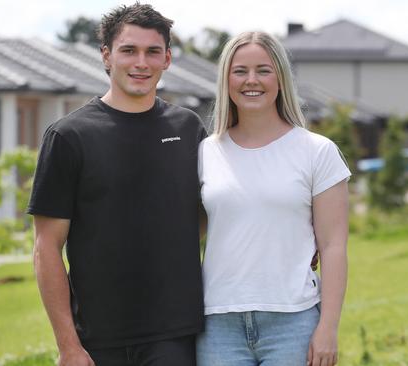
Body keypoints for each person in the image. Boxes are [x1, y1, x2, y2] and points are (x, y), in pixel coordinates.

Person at [27, 3, 206, 366]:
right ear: (107, 56)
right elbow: (47, 247)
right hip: (97, 340)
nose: (141, 62)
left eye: (152, 51)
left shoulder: (189, 130)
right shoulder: (68, 136)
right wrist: (68, 346)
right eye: (129, 50)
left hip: (176, 336)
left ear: (167, 58)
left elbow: (221, 214)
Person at [196, 31, 350, 366]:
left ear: (280, 78)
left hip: (293, 323)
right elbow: (190, 234)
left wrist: (328, 328)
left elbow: (334, 246)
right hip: (217, 325)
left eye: (263, 70)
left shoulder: (317, 152)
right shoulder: (205, 152)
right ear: (226, 80)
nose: (251, 80)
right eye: (240, 71)